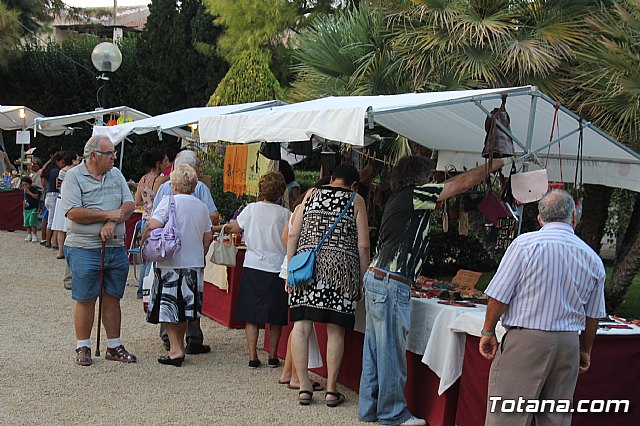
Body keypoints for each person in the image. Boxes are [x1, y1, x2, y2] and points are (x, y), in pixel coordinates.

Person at [358, 155, 505, 426]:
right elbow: (459, 185)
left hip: (380, 277)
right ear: (421, 177)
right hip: (391, 280)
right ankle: (392, 414)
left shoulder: (399, 197)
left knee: (376, 349)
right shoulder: (415, 194)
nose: (434, 179)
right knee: (389, 351)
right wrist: (490, 167)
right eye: (431, 175)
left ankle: (369, 409)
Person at [479, 189, 605, 426]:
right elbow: (593, 314)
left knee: (508, 416)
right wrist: (585, 349)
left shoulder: (525, 245)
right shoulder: (592, 257)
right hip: (568, 342)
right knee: (556, 418)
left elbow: (499, 295)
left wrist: (487, 331)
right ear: (573, 217)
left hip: (527, 340)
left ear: (540, 218)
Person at [287, 163, 370, 406]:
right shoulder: (356, 200)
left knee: (301, 328)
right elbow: (363, 246)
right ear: (353, 184)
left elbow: (293, 233)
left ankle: (304, 387)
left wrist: (292, 266)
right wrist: (362, 280)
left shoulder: (312, 194)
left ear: (331, 178)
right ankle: (332, 390)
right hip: (341, 272)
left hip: (306, 269)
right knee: (336, 330)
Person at [60, 136, 136, 367]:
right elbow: (73, 212)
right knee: (85, 297)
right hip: (84, 246)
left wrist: (113, 222)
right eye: (109, 153)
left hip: (114, 246)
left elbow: (129, 204)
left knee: (113, 297)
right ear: (93, 155)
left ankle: (114, 345)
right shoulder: (73, 177)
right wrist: (107, 215)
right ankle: (83, 345)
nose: (114, 157)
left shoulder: (116, 175)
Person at [213, 171, 291, 368]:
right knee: (275, 316)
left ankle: (252, 356)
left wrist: (214, 228)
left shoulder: (251, 209)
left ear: (261, 189)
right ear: (281, 192)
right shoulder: (286, 214)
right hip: (277, 268)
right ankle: (273, 355)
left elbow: (234, 228)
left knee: (252, 315)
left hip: (254, 265)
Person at [144, 164, 213, 366]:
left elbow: (152, 225)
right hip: (193, 264)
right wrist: (201, 252)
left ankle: (175, 350)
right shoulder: (201, 207)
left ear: (174, 184)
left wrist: (148, 240)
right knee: (184, 308)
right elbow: (208, 236)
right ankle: (179, 347)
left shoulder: (169, 202)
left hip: (170, 262)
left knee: (168, 307)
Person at [135, 150, 170, 298]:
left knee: (145, 255)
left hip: (144, 219)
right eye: (165, 161)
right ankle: (146, 289)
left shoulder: (143, 179)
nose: (167, 164)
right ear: (158, 164)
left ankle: (140, 289)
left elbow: (137, 201)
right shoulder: (161, 180)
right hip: (154, 220)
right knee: (152, 256)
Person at [51, 151, 78, 260]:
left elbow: (58, 186)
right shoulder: (75, 172)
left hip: (60, 199)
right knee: (67, 227)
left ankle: (60, 251)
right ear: (72, 160)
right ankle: (67, 251)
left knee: (60, 227)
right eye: (76, 159)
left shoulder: (62, 171)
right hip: (69, 201)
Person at [42, 151, 64, 249]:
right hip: (54, 195)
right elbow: (57, 185)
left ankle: (48, 241)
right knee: (52, 220)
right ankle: (48, 242)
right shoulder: (56, 171)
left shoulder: (51, 170)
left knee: (49, 219)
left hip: (49, 195)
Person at [21, 176, 41, 242]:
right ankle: (29, 234)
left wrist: (29, 192)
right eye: (23, 185)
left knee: (32, 222)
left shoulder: (34, 189)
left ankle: (34, 234)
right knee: (26, 222)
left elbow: (36, 196)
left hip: (33, 208)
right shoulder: (23, 191)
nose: (24, 186)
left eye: (26, 185)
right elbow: (24, 200)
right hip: (26, 208)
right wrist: (23, 209)